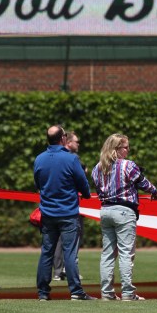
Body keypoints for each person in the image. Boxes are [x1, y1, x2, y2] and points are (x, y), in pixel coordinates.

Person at [91, 133, 157, 301]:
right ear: (117, 149)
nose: (128, 150)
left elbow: (99, 189)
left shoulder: (97, 168)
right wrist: (154, 191)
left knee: (107, 253)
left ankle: (107, 293)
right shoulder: (128, 166)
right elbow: (143, 183)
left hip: (105, 210)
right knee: (126, 253)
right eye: (126, 147)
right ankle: (128, 293)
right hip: (124, 211)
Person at [34, 125, 94, 301]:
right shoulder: (71, 159)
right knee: (69, 252)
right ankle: (76, 291)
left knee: (47, 252)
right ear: (63, 139)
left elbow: (38, 184)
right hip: (68, 212)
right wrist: (87, 194)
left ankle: (43, 293)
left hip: (47, 213)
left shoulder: (39, 159)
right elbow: (83, 184)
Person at [53, 131, 85, 282]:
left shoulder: (47, 157)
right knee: (73, 241)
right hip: (70, 206)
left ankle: (58, 272)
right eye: (76, 142)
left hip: (52, 206)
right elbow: (81, 181)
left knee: (56, 242)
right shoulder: (72, 158)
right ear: (68, 142)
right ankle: (71, 272)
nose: (78, 144)